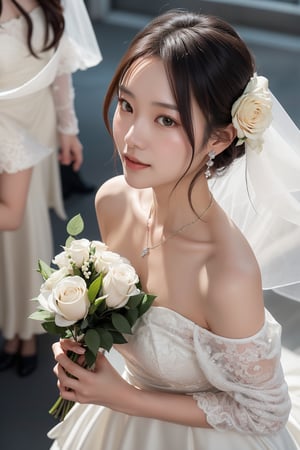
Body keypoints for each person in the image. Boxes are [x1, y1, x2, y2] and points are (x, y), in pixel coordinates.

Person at [48, 9, 300, 450]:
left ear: (220, 139)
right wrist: (83, 345)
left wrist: (124, 397)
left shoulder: (225, 273)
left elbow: (265, 412)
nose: (130, 138)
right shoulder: (113, 201)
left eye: (166, 120)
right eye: (126, 106)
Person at [0, 0, 101, 376]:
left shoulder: (54, 2)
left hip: (36, 119)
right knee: (15, 225)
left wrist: (67, 128)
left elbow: (60, 68)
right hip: (4, 127)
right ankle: (15, 329)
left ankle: (24, 330)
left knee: (27, 224)